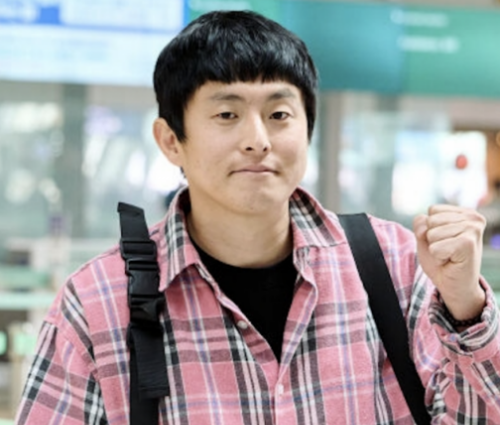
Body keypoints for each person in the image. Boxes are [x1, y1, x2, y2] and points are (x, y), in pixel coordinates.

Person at [15, 10, 500, 425]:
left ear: (307, 129)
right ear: (170, 141)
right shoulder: (99, 304)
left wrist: (465, 307)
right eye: (227, 115)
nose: (257, 141)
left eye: (279, 114)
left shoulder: (393, 266)